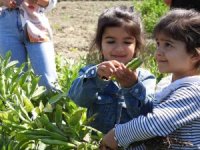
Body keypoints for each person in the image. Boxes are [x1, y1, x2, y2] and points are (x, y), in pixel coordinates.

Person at [101, 8, 200, 149]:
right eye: (158, 44)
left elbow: (156, 123)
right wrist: (131, 86)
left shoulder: (194, 92)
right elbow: (150, 120)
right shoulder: (167, 83)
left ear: (195, 55)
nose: (158, 52)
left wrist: (116, 135)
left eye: (168, 45)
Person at [68, 6, 156, 136]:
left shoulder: (145, 78)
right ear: (100, 45)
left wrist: (132, 85)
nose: (119, 49)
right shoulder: (91, 72)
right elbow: (79, 100)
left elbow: (147, 114)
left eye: (127, 42)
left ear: (136, 46)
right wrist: (97, 77)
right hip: (98, 143)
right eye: (111, 41)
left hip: (133, 144)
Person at [0, 0, 60, 91]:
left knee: (48, 82)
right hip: (5, 25)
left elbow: (51, 3)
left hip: (36, 24)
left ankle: (55, 104)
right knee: (16, 84)